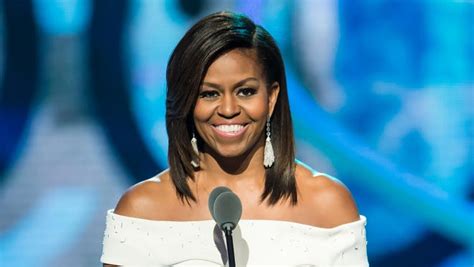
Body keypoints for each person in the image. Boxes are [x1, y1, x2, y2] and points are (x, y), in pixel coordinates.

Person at [101, 11, 368, 266]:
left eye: (246, 92)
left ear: (272, 97)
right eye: (209, 94)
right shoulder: (142, 210)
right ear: (186, 102)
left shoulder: (328, 203)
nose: (228, 110)